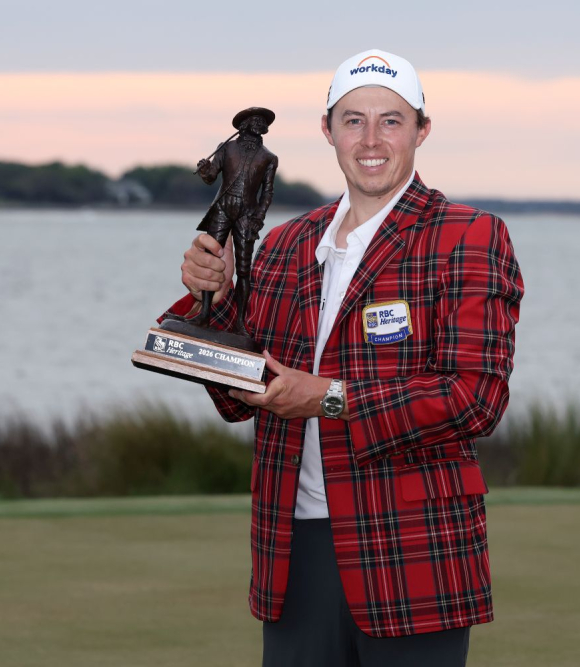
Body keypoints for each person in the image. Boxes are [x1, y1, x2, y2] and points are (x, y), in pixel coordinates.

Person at [165, 49, 524, 667]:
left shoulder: (468, 235)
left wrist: (328, 396)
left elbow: (475, 399)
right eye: (353, 120)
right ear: (327, 131)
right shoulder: (283, 245)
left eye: (392, 120)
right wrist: (215, 298)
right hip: (294, 552)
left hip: (412, 554)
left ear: (422, 130)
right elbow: (235, 395)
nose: (372, 139)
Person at [194, 107, 278, 332]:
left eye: (263, 122)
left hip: (247, 215)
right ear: (245, 125)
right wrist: (204, 169)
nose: (261, 124)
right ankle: (203, 314)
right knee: (211, 259)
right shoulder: (227, 148)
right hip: (223, 207)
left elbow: (267, 193)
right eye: (256, 120)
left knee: (243, 269)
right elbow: (211, 177)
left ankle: (241, 323)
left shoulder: (269, 158)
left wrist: (258, 219)